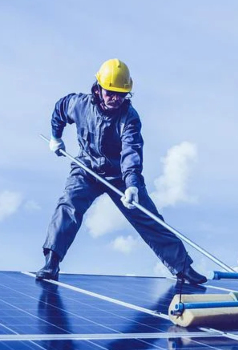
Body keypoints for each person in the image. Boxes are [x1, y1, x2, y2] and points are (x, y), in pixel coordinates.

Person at [36, 58, 207, 285]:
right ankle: (52, 262)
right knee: (69, 205)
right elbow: (59, 109)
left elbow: (131, 152)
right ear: (98, 89)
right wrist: (56, 137)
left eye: (122, 94)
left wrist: (133, 185)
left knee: (148, 217)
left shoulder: (130, 118)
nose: (116, 98)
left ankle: (183, 268)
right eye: (111, 93)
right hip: (86, 169)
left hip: (121, 177)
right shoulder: (78, 104)